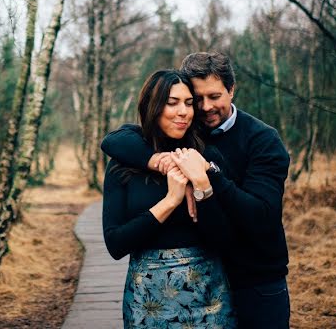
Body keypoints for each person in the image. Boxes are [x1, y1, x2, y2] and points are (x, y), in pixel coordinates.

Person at [102, 52, 290, 329]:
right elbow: (114, 140)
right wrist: (162, 168)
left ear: (232, 90)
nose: (202, 108)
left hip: (254, 279)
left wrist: (205, 181)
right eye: (193, 99)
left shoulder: (259, 140)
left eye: (213, 97)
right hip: (165, 293)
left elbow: (260, 217)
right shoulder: (172, 141)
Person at [102, 69, 237, 329]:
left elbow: (225, 239)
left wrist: (201, 185)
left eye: (188, 103)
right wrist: (170, 201)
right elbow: (116, 244)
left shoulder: (206, 158)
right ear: (152, 106)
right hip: (148, 301)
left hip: (209, 298)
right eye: (172, 102)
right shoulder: (124, 165)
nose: (183, 112)